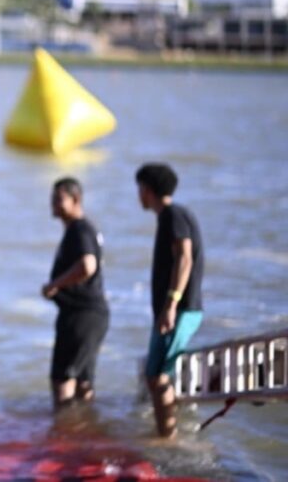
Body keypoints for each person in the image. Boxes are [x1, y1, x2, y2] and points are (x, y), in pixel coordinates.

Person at [135, 163, 205, 437]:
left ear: (148, 190)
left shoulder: (172, 215)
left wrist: (171, 304)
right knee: (155, 375)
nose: (138, 195)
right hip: (175, 309)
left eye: (139, 189)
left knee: (158, 376)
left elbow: (184, 257)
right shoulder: (175, 214)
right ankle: (166, 431)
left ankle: (168, 437)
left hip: (180, 309)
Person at [40, 177, 109, 410]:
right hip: (91, 316)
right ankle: (83, 434)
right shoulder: (82, 229)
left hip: (81, 314)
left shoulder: (80, 228)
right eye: (52, 198)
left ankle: (61, 437)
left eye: (59, 199)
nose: (53, 204)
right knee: (83, 382)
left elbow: (87, 266)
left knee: (63, 380)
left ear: (76, 199)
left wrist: (55, 285)